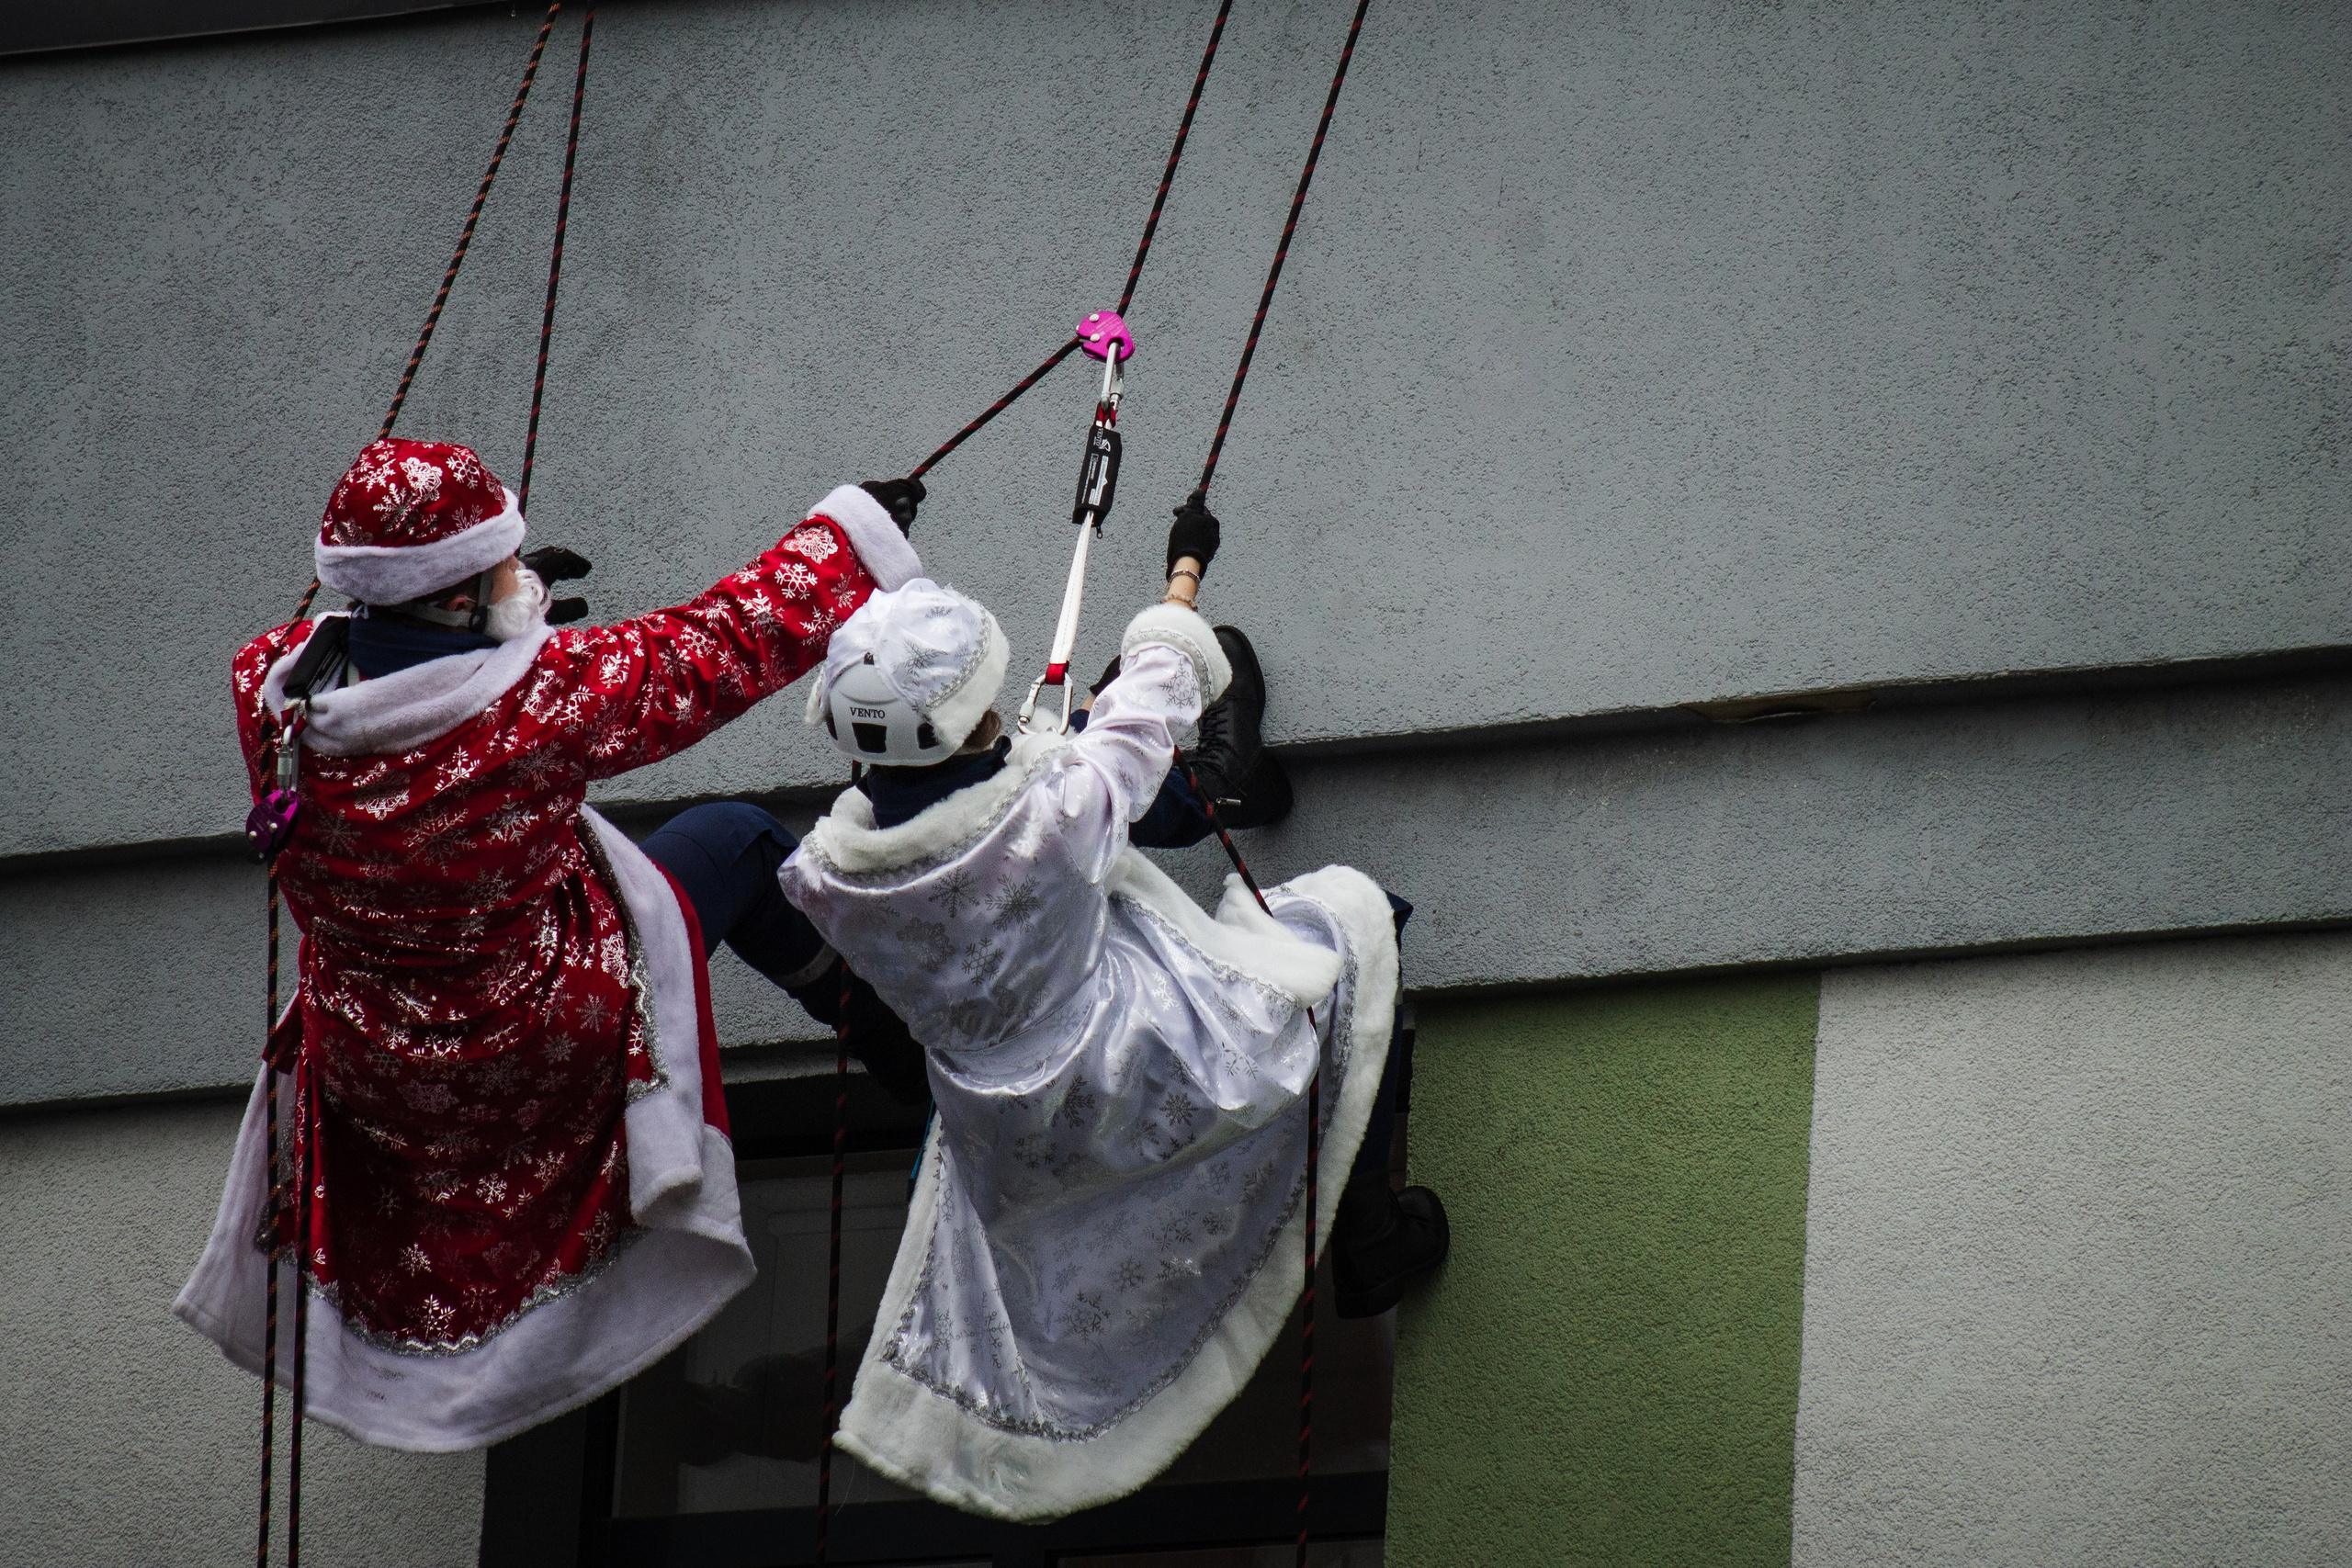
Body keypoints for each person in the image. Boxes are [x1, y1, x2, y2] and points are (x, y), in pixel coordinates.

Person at [175, 436, 926, 1450]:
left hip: (378, 1062)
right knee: (741, 843)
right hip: (533, 1037)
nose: (514, 578)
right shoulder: (539, 702)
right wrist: (847, 540)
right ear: (455, 600)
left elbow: (382, 672)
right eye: (498, 567)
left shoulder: (264, 690)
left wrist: (489, 625)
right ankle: (916, 1066)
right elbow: (710, 649)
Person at [775, 492, 1450, 1520]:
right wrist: (1184, 570)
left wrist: (1041, 742)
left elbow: (979, 807)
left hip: (1003, 1127)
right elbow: (1155, 695)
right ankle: (1368, 1236)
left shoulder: (824, 876)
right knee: (1354, 928)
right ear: (970, 727)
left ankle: (1232, 787)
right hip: (1126, 1060)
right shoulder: (1057, 808)